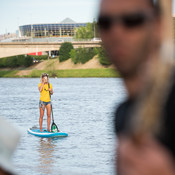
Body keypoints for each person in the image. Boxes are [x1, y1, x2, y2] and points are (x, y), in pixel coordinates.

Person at [98, 0, 175, 175]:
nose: (116, 32)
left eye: (132, 20)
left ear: (158, 26)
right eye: (105, 23)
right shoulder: (122, 115)